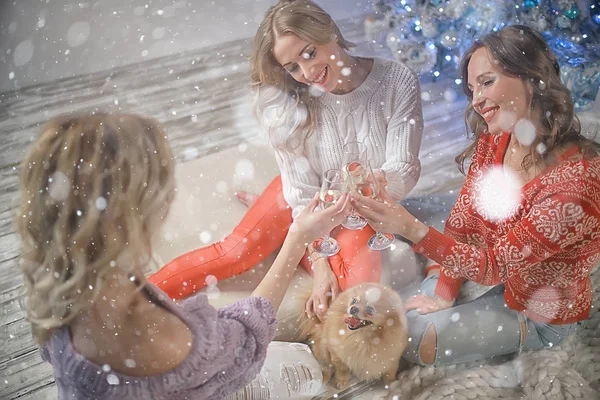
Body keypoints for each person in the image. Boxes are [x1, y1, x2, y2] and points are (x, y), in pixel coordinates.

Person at [16, 111, 351, 399]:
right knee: (303, 372)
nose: (173, 193)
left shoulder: (52, 280)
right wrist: (297, 239)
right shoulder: (157, 336)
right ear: (137, 213)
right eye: (165, 183)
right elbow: (244, 344)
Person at [148, 0, 424, 320]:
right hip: (302, 202)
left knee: (354, 307)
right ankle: (132, 301)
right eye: (292, 67)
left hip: (361, 212)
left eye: (309, 53)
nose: (307, 73)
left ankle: (280, 236)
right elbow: (302, 196)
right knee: (235, 254)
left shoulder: (396, 80)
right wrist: (319, 265)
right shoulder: (289, 106)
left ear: (329, 31)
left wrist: (373, 183)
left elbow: (405, 169)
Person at [351, 25, 600, 366]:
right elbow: (463, 220)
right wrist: (444, 293)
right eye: (471, 89)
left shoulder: (578, 182)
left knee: (410, 338)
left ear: (532, 78)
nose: (477, 100)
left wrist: (410, 229)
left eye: (487, 82)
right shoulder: (496, 140)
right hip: (498, 271)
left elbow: (493, 267)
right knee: (409, 294)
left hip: (539, 314)